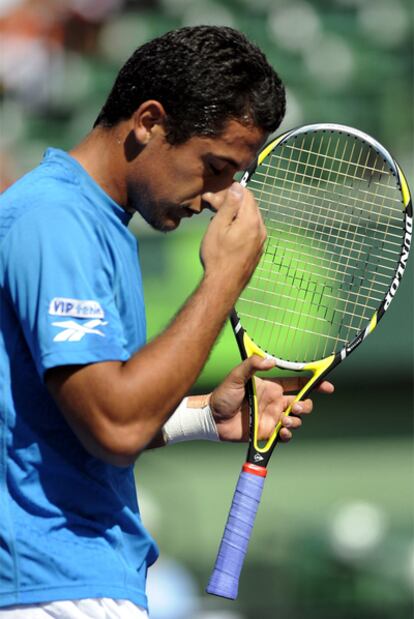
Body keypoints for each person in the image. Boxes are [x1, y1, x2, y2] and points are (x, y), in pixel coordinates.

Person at [0, 25, 334, 619]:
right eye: (214, 166)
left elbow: (67, 422)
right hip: (51, 586)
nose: (217, 197)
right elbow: (116, 425)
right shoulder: (56, 221)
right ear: (149, 121)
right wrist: (223, 279)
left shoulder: (90, 223)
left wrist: (206, 415)